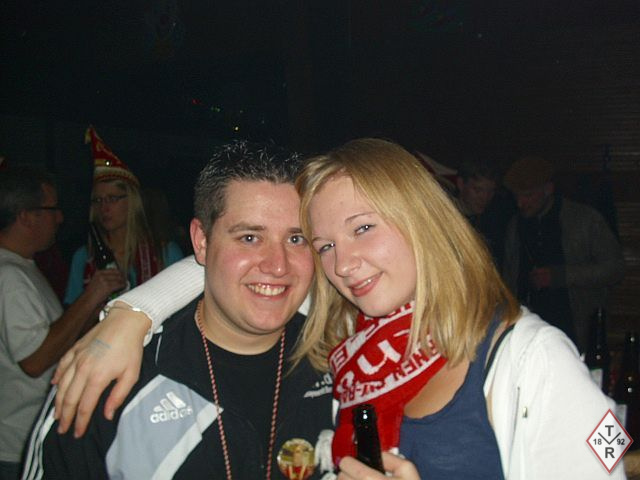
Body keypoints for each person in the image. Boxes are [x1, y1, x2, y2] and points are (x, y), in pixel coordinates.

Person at [45, 140, 622, 479]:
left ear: (423, 220)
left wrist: (129, 310)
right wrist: (133, 314)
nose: (342, 264)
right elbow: (236, 275)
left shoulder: (531, 359)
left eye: (362, 228)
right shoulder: (348, 336)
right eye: (324, 244)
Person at [22, 142, 335, 480]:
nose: (278, 266)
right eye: (249, 238)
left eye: (296, 239)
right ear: (201, 241)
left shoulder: (342, 359)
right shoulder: (104, 379)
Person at [0, 167, 125, 480]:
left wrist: (94, 307)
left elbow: (56, 340)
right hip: (17, 443)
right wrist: (91, 294)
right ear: (26, 216)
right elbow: (34, 360)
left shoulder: (22, 268)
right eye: (52, 209)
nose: (60, 218)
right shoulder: (10, 276)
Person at [502, 155, 625, 353]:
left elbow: (615, 269)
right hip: (530, 333)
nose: (520, 203)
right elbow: (509, 279)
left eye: (528, 195)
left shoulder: (585, 219)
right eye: (516, 196)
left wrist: (561, 276)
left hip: (578, 331)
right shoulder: (514, 226)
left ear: (548, 189)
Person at [63, 127, 183, 308]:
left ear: (132, 202)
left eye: (112, 198)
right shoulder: (84, 257)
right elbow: (74, 318)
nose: (104, 207)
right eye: (98, 200)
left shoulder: (165, 253)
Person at [454, 158, 515, 269]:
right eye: (478, 190)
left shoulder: (495, 219)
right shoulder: (446, 218)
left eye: (491, 191)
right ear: (461, 184)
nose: (485, 198)